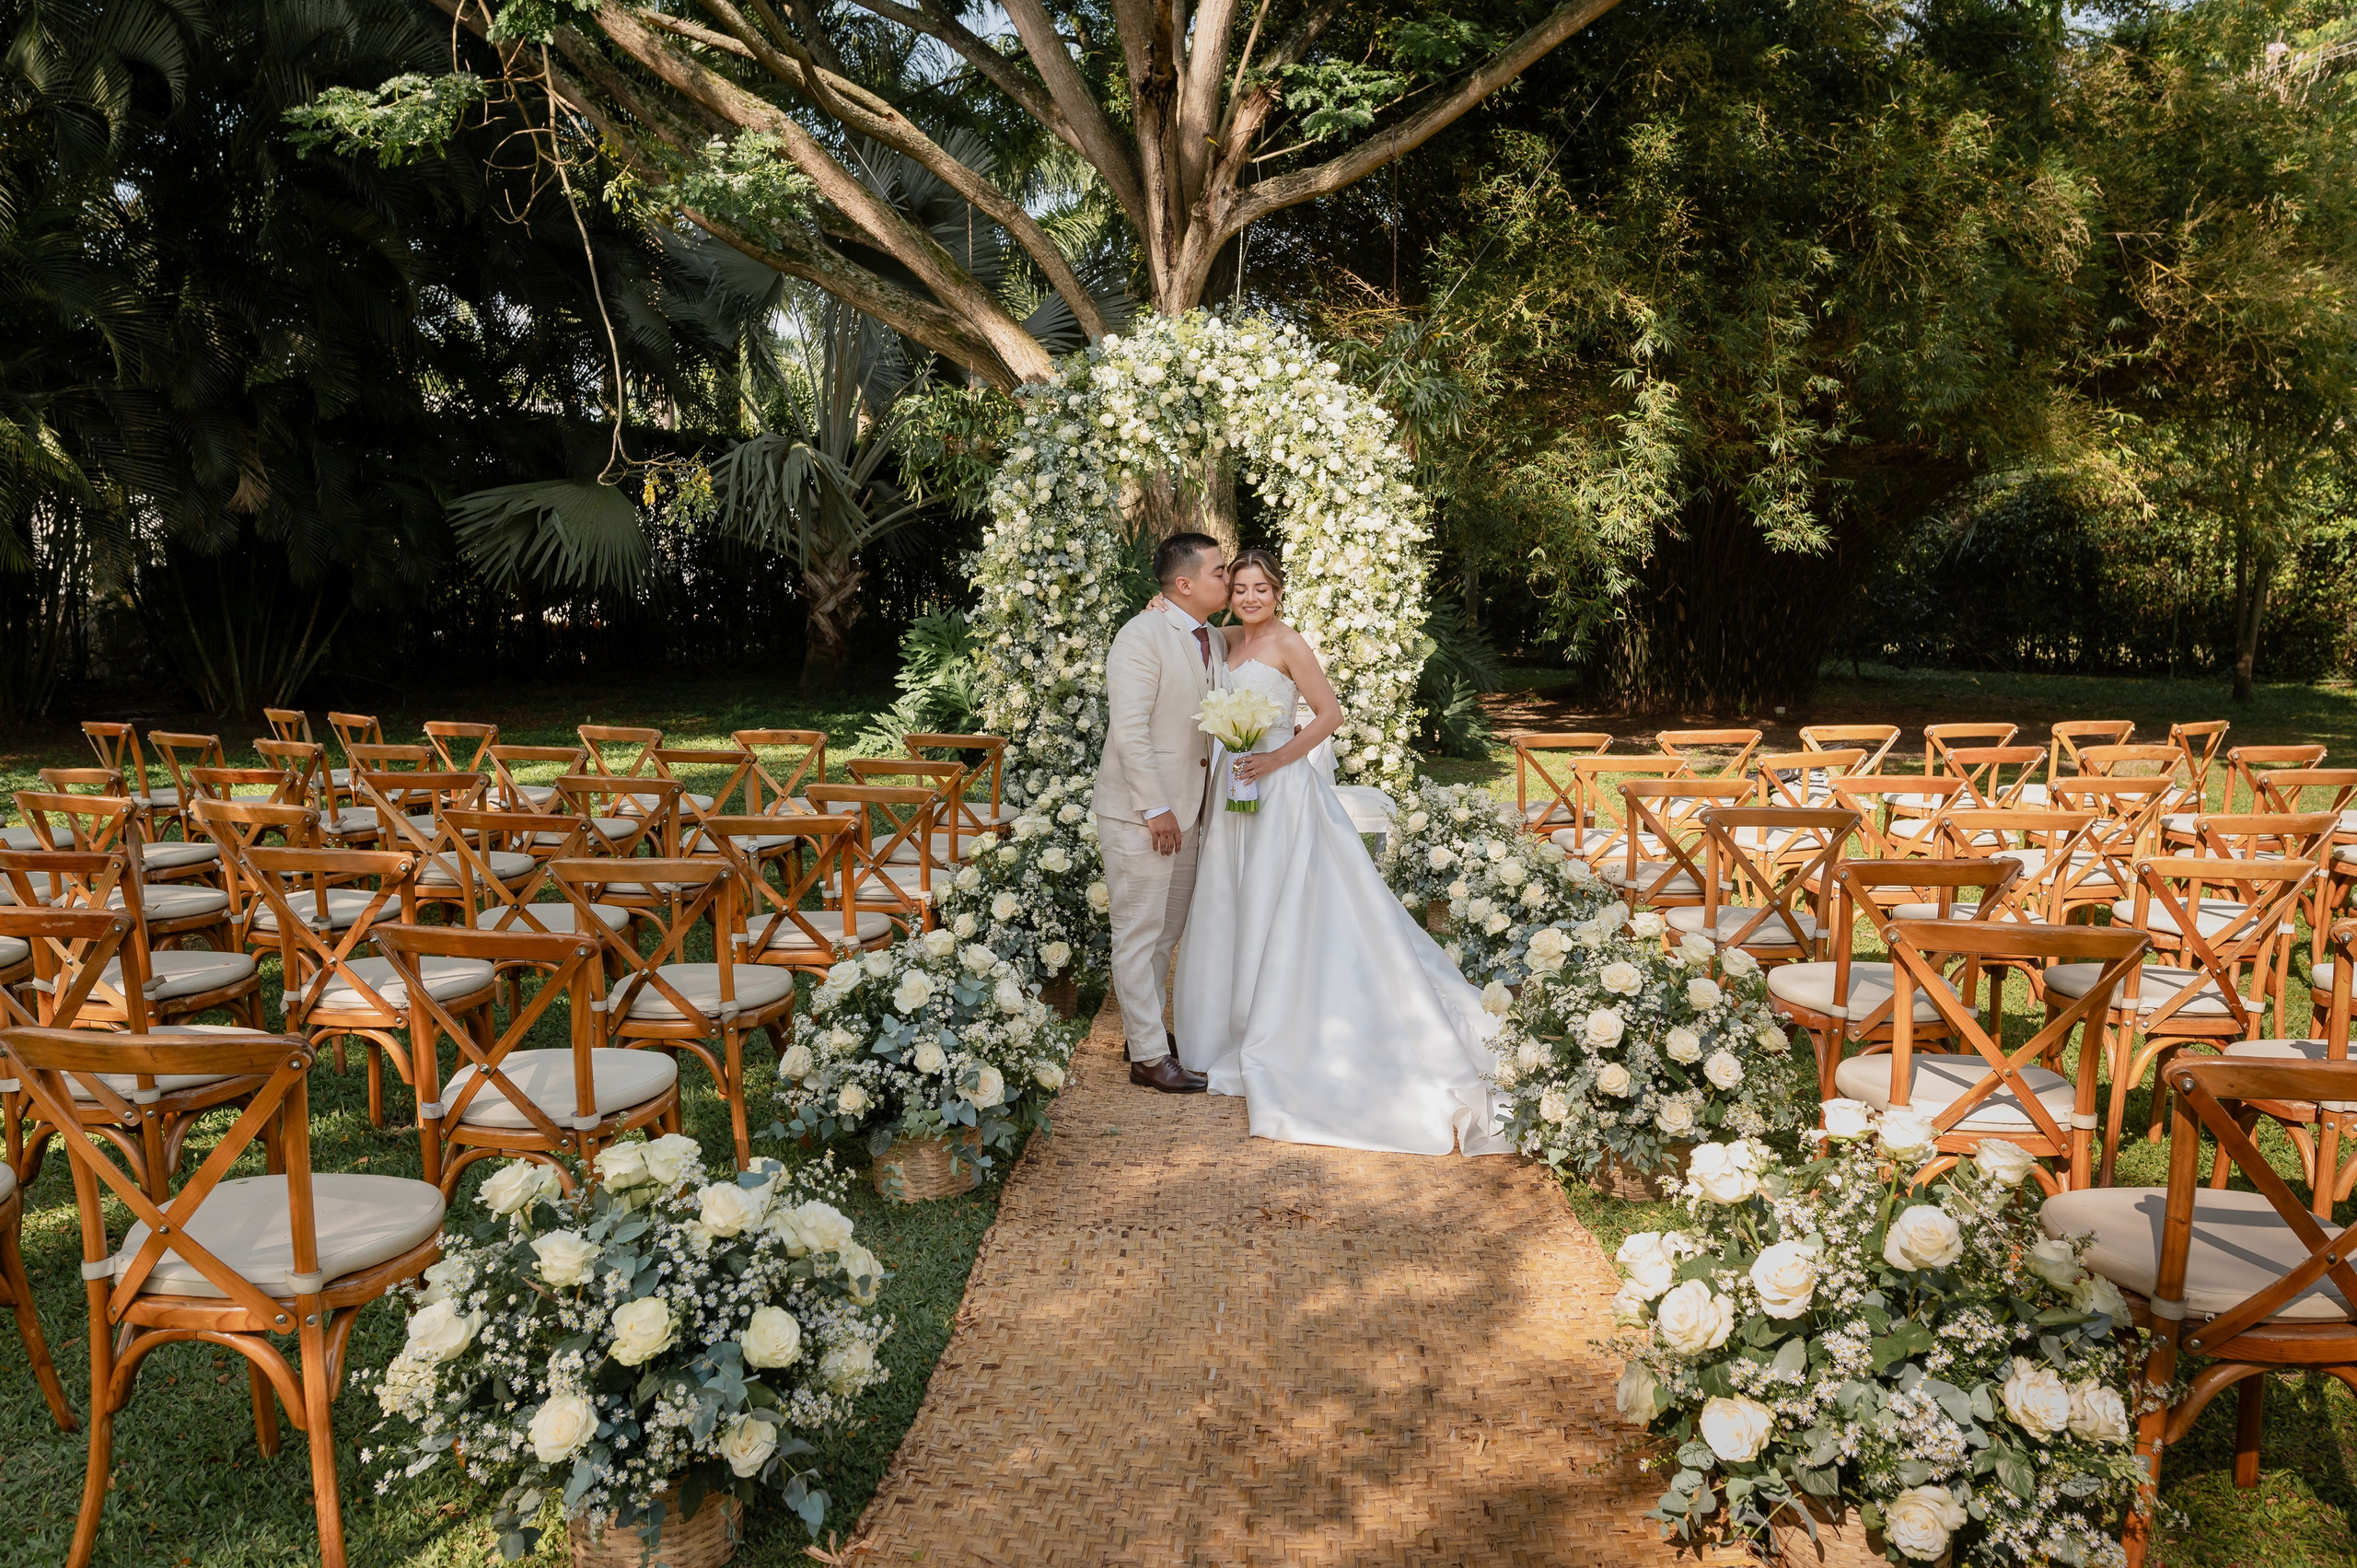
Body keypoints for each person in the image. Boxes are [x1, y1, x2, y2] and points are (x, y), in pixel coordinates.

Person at [1169, 550, 1513, 1155]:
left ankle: (1277, 1027)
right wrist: (1161, 606)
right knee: (1231, 899)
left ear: (1277, 592)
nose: (1250, 598)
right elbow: (1184, 626)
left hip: (1282, 792)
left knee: (1283, 902)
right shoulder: (1224, 640)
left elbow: (1331, 714)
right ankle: (1221, 1026)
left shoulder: (1288, 643)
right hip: (1234, 793)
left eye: (1261, 589)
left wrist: (1276, 756)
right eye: (1240, 588)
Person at [1091, 532, 1229, 1091]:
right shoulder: (1141, 636)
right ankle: (1149, 1058)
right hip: (1143, 814)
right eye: (1220, 571)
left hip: (1192, 811)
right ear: (1184, 583)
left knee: (1165, 933)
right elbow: (1130, 732)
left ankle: (1140, 1032)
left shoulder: (1212, 639)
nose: (1228, 578)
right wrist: (1156, 808)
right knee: (1137, 932)